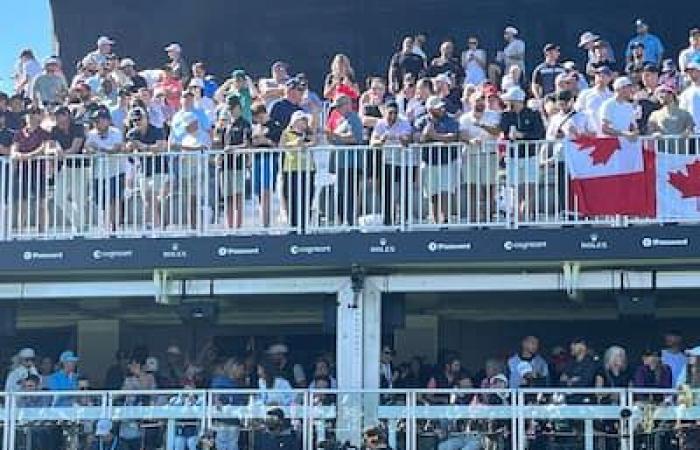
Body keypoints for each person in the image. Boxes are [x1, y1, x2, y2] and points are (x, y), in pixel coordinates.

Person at [499, 86, 545, 219]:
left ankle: (525, 216)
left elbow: (539, 133)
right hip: (513, 157)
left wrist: (522, 135)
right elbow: (504, 131)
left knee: (529, 187)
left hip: (530, 156)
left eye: (511, 101)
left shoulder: (533, 114)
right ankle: (518, 217)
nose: (508, 103)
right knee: (516, 188)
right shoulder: (506, 115)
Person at [414, 95, 460, 224]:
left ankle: (444, 220)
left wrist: (434, 136)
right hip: (429, 162)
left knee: (445, 191)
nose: (442, 109)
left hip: (447, 161)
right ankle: (435, 220)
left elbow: (453, 136)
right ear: (430, 109)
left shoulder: (449, 120)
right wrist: (425, 134)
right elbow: (418, 138)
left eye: (442, 107)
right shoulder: (421, 121)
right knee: (432, 193)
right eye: (438, 108)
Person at [371, 100, 414, 226]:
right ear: (385, 112)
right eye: (390, 113)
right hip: (388, 161)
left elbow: (408, 141)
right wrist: (382, 140)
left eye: (395, 113)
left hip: (403, 162)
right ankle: (388, 219)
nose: (392, 116)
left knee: (404, 190)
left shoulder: (404, 122)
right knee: (386, 191)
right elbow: (373, 143)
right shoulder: (380, 123)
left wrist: (400, 138)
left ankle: (404, 219)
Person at [459, 91, 501, 222]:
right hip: (471, 155)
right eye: (477, 99)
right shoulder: (465, 118)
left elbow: (497, 131)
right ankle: (474, 220)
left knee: (488, 188)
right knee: (472, 189)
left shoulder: (493, 115)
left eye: (483, 99)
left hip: (489, 154)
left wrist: (482, 125)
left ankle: (488, 220)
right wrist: (470, 141)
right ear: (471, 102)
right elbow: (461, 134)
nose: (480, 102)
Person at [125, 107, 169, 229]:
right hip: (143, 170)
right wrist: (130, 149)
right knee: (147, 200)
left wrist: (143, 146)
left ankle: (157, 227)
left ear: (146, 118)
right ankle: (157, 225)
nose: (137, 122)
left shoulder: (157, 130)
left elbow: (160, 147)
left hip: (159, 169)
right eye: (134, 120)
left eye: (139, 119)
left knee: (153, 199)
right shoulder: (132, 134)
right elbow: (128, 151)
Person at [11, 107, 51, 232]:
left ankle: (42, 232)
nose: (32, 116)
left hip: (39, 170)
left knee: (42, 202)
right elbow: (14, 150)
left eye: (35, 114)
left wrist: (27, 156)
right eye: (30, 114)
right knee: (22, 202)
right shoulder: (19, 133)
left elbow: (44, 148)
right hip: (22, 171)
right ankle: (20, 231)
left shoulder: (44, 133)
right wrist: (17, 155)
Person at [85, 109, 125, 233]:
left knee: (115, 199)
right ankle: (105, 226)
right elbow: (87, 149)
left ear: (107, 121)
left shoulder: (116, 132)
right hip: (98, 173)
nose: (97, 123)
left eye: (99, 120)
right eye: (95, 121)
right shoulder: (91, 134)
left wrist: (99, 148)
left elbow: (115, 149)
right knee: (101, 200)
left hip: (115, 171)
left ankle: (115, 227)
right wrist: (89, 151)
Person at [327, 94, 364, 226]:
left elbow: (355, 138)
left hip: (351, 164)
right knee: (341, 193)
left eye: (339, 106)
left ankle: (350, 222)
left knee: (350, 194)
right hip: (341, 164)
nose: (337, 110)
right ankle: (342, 221)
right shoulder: (341, 120)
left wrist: (335, 135)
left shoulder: (354, 119)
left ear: (348, 105)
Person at [50, 106, 89, 232]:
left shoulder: (78, 127)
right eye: (56, 116)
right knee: (58, 197)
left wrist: (62, 153)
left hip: (81, 166)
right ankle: (79, 223)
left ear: (67, 115)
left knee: (79, 198)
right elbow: (51, 146)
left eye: (60, 115)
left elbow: (75, 148)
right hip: (66, 167)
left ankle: (79, 229)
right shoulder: (54, 129)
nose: (57, 118)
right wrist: (55, 150)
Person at [280, 110, 316, 231]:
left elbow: (314, 143)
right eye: (300, 120)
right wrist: (295, 143)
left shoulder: (308, 134)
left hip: (307, 170)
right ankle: (293, 226)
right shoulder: (286, 133)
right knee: (292, 199)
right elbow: (282, 146)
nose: (302, 123)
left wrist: (305, 144)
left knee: (307, 198)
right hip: (291, 169)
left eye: (304, 121)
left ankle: (305, 226)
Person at [221, 96, 252, 229]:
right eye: (229, 108)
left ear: (239, 107)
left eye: (233, 108)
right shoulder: (225, 125)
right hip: (225, 165)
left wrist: (232, 149)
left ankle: (238, 227)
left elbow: (247, 144)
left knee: (238, 196)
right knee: (228, 197)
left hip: (238, 165)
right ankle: (230, 227)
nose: (231, 111)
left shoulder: (245, 124)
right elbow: (220, 143)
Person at [251, 103, 284, 228]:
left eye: (258, 116)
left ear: (264, 113)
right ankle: (263, 220)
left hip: (269, 160)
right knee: (259, 191)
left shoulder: (275, 125)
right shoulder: (256, 127)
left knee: (266, 191)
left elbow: (279, 145)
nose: (257, 120)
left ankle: (266, 224)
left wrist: (266, 141)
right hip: (257, 159)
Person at [575, 66, 613, 133]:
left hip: (607, 134)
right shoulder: (585, 93)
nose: (600, 78)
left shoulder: (612, 96)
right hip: (589, 133)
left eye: (603, 76)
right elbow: (578, 111)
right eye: (598, 76)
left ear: (609, 78)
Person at [679, 62, 700, 133]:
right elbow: (682, 112)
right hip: (693, 133)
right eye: (688, 72)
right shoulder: (685, 93)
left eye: (693, 71)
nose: (690, 74)